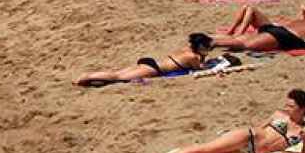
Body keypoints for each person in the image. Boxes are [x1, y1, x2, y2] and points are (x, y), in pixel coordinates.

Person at [141, 89, 305, 153]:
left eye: (291, 106)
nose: (287, 108)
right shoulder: (279, 115)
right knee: (205, 149)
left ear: (302, 109)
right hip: (247, 137)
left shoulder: (303, 131)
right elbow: (260, 128)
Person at [73, 33, 222, 86]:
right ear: (201, 47)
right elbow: (199, 69)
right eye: (207, 47)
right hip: (153, 69)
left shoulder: (187, 49)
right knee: (117, 77)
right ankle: (86, 77)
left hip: (150, 62)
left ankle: (90, 77)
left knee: (117, 73)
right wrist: (206, 61)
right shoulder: (193, 57)